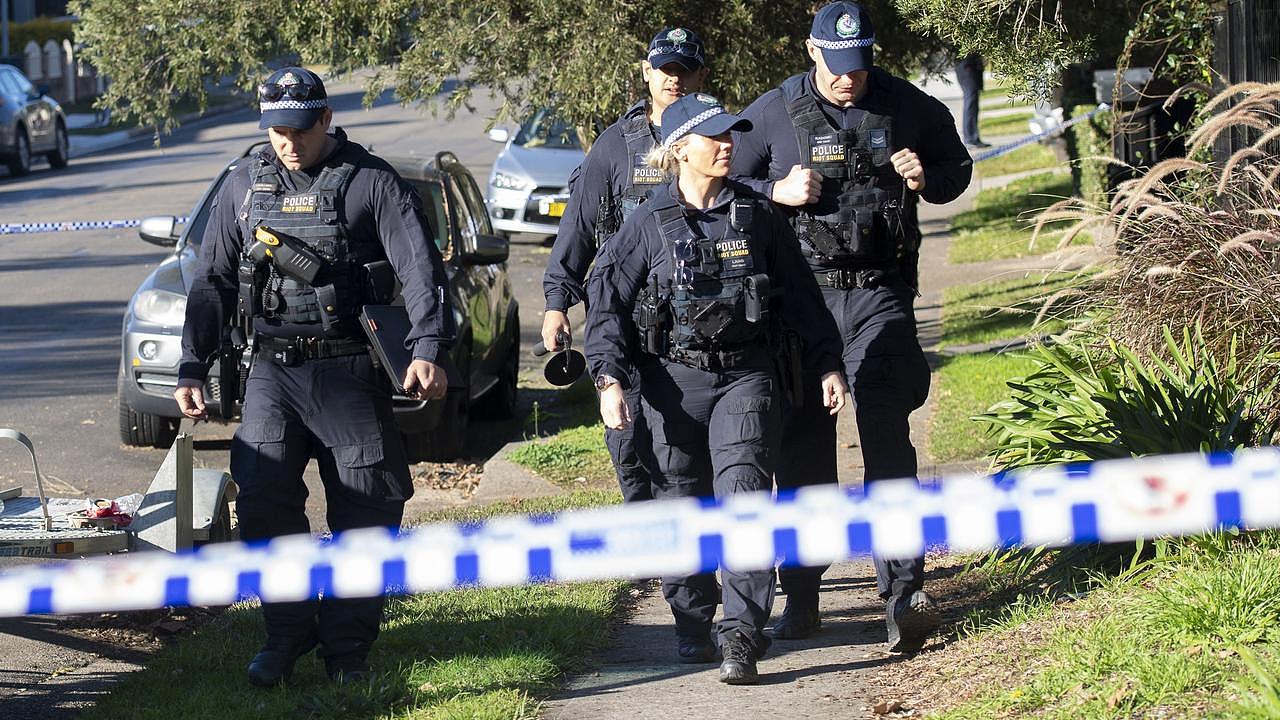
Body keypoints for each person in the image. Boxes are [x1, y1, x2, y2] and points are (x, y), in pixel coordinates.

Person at [173, 67, 455, 686]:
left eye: (300, 129)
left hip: (351, 368)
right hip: (274, 370)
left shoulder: (371, 181)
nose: (288, 142)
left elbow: (420, 271)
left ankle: (347, 649)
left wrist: (428, 346)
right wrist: (192, 362)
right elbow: (212, 280)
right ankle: (286, 635)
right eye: (276, 130)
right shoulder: (244, 183)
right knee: (266, 502)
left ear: (326, 118)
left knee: (368, 507)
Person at [730, 1, 973, 652]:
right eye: (836, 67)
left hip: (879, 294)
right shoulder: (773, 112)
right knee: (804, 448)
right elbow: (723, 180)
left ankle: (903, 596)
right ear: (812, 52)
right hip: (802, 305)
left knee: (886, 433)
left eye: (859, 66)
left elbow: (957, 167)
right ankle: (803, 597)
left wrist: (929, 179)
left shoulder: (907, 105)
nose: (848, 79)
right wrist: (775, 192)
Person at [585, 92, 847, 684]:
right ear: (680, 149)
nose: (728, 144)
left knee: (746, 497)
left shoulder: (757, 214)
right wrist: (609, 378)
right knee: (681, 505)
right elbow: (607, 309)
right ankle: (690, 622)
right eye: (715, 137)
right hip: (670, 384)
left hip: (747, 379)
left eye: (732, 135)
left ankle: (743, 637)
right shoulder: (646, 224)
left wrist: (828, 363)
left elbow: (802, 296)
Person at [542, 28, 709, 503]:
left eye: (683, 71)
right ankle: (657, 552)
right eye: (664, 70)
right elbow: (576, 227)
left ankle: (697, 564)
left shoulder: (718, 138)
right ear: (647, 73)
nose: (673, 80)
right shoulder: (616, 145)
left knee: (696, 448)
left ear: (701, 75)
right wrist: (557, 303)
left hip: (697, 319)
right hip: (627, 321)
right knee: (630, 444)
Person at [955, 52, 988, 148]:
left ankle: (973, 137)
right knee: (970, 105)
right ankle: (970, 138)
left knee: (973, 106)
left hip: (970, 69)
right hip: (967, 70)